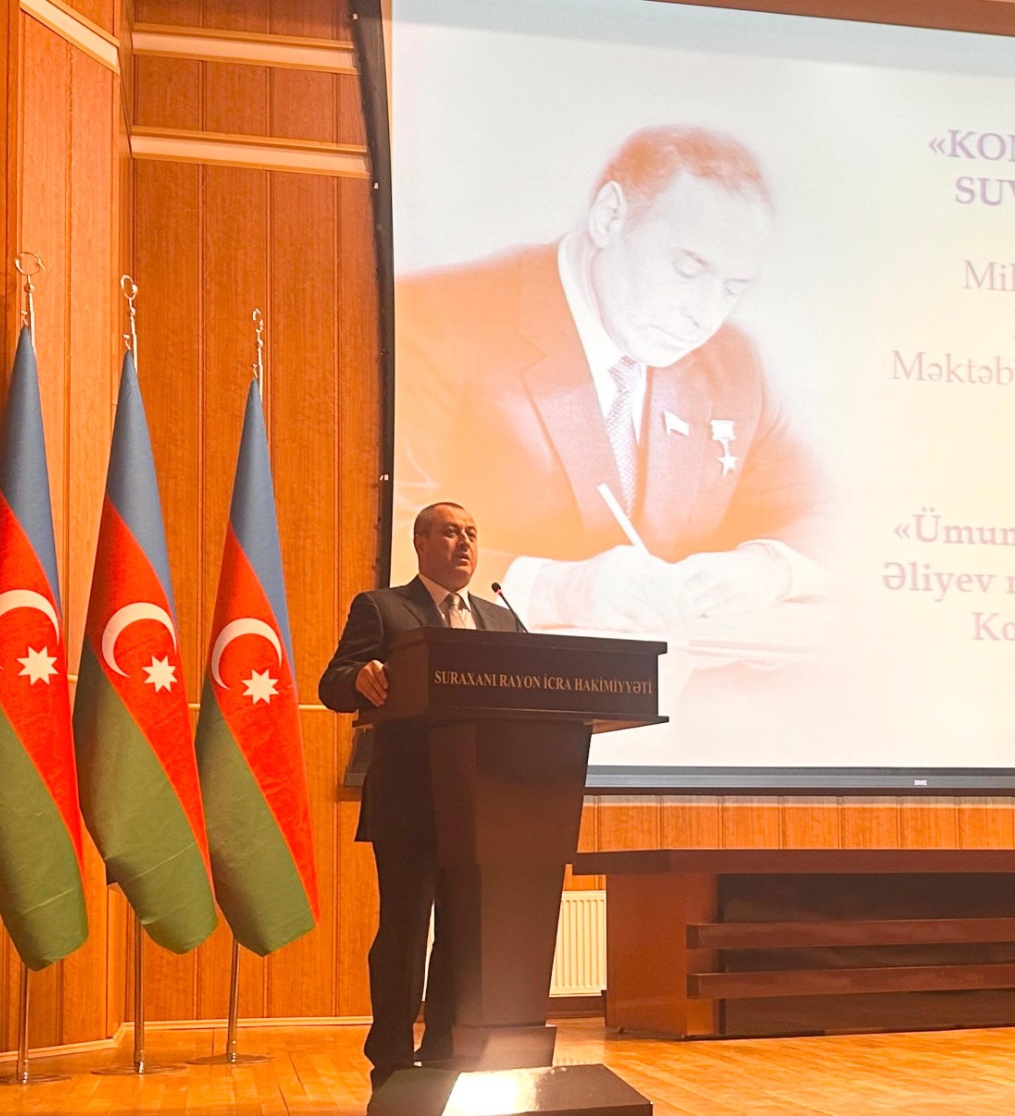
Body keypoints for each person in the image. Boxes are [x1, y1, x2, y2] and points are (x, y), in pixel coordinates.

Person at [393, 124, 826, 636]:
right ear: (609, 217)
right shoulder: (435, 321)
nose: (705, 315)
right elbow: (381, 535)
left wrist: (769, 567)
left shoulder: (732, 362)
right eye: (688, 269)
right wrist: (555, 590)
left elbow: (827, 512)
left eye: (732, 287)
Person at [317, 502, 518, 1090]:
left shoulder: (500, 620)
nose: (464, 544)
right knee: (404, 931)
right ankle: (391, 1055)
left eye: (472, 533)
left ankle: (445, 1047)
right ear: (421, 542)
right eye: (451, 532)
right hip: (409, 799)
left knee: (461, 933)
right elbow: (333, 683)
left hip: (480, 803)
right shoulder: (383, 607)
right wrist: (358, 678)